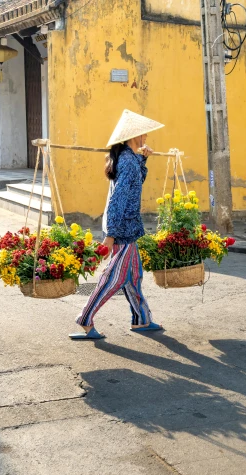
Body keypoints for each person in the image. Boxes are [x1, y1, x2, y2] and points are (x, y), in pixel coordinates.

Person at [71, 110, 165, 341]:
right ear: (136, 136)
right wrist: (111, 234)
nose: (146, 137)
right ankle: (85, 319)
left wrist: (144, 159)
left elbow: (135, 184)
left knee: (133, 278)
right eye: (144, 134)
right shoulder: (127, 161)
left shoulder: (128, 158)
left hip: (127, 229)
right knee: (113, 279)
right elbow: (118, 199)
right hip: (121, 230)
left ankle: (141, 319)